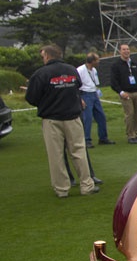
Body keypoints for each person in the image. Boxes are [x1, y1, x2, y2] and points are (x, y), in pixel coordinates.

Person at [25, 44, 99, 198]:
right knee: (79, 152)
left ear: (46, 55)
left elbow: (31, 98)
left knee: (56, 155)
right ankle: (87, 185)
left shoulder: (41, 74)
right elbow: (78, 87)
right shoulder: (72, 70)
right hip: (73, 117)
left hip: (52, 119)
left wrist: (46, 100)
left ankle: (62, 189)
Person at [110, 43, 137, 144]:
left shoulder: (136, 64)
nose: (126, 51)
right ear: (120, 51)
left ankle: (136, 133)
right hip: (126, 94)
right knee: (129, 114)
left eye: (127, 49)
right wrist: (121, 92)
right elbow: (114, 82)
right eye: (123, 49)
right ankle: (130, 135)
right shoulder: (116, 65)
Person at [77, 52, 114, 146]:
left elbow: (95, 83)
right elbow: (76, 85)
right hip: (85, 94)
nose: (99, 61)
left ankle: (103, 138)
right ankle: (86, 140)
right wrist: (80, 99)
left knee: (101, 116)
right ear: (92, 61)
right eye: (97, 60)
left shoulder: (94, 70)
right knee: (87, 118)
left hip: (94, 93)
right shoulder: (80, 70)